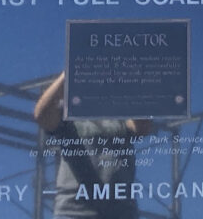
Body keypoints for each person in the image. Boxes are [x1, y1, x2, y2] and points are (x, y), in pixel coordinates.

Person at [34, 73, 150, 219]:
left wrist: (131, 80)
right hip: (73, 212)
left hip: (120, 212)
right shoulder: (69, 113)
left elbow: (142, 128)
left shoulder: (120, 113)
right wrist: (70, 71)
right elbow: (42, 116)